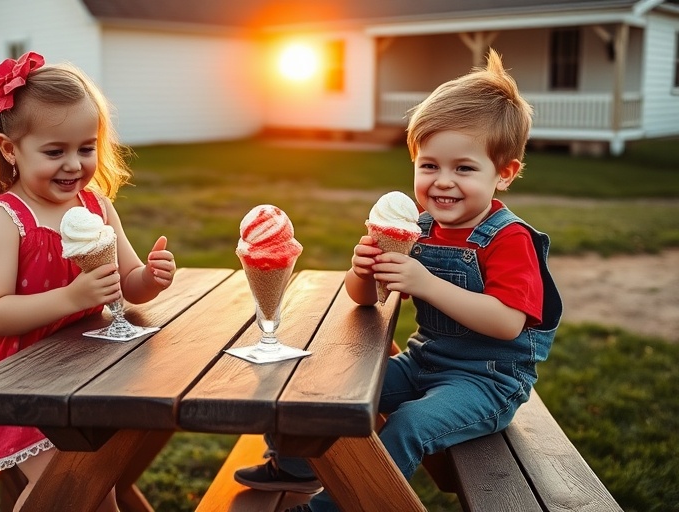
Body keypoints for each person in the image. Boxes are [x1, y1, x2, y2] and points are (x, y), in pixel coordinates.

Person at [234, 49, 563, 512]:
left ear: (503, 174)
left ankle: (336, 505)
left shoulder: (508, 239)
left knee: (408, 423)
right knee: (322, 388)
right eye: (429, 165)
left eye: (464, 168)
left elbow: (508, 322)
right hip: (425, 360)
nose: (443, 182)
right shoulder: (417, 228)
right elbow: (365, 301)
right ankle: (295, 465)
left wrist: (427, 283)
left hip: (487, 382)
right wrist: (362, 271)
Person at [0, 51, 176, 512]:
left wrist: (151, 276)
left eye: (86, 148)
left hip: (70, 366)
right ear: (10, 150)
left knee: (97, 470)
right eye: (55, 152)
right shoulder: (6, 218)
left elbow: (126, 283)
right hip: (0, 375)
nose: (74, 165)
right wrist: (72, 297)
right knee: (78, 482)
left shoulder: (96, 208)